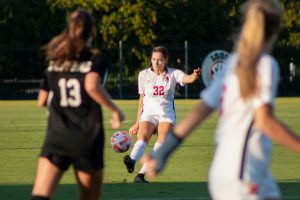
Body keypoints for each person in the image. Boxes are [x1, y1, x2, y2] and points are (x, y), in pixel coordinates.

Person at [144, 0, 300, 199]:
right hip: (245, 173)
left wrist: (163, 152)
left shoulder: (232, 63)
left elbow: (199, 113)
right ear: (277, 28)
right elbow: (264, 120)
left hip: (226, 171)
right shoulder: (265, 65)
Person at [31, 9, 124, 200]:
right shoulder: (97, 57)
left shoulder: (56, 59)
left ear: (70, 30)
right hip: (86, 138)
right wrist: (115, 111)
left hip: (56, 136)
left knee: (40, 196)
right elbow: (91, 85)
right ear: (93, 31)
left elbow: (41, 101)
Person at [124, 45, 200, 183]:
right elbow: (141, 99)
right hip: (148, 113)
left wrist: (194, 75)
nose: (156, 62)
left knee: (161, 143)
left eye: (160, 60)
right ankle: (132, 161)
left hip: (166, 114)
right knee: (143, 138)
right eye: (154, 59)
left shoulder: (173, 73)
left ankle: (140, 175)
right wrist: (137, 122)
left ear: (165, 60)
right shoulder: (143, 75)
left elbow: (187, 78)